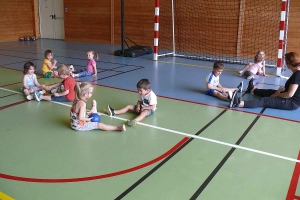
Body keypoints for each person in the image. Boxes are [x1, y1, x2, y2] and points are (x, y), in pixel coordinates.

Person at [230, 52, 300, 110]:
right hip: (289, 98)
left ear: (288, 64)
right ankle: (252, 90)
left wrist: (277, 95)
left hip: (291, 103)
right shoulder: (296, 72)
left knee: (264, 100)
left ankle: (238, 103)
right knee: (269, 91)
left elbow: (289, 94)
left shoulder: (297, 74)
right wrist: (279, 92)